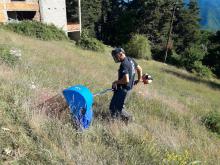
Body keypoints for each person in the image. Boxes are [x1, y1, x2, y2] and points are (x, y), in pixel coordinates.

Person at [110, 48, 142, 122]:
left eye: (116, 56)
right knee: (112, 106)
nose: (115, 58)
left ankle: (129, 119)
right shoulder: (130, 60)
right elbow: (139, 69)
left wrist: (115, 82)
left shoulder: (124, 64)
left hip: (124, 90)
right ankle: (113, 120)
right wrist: (139, 79)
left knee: (119, 109)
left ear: (121, 54)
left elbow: (126, 80)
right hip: (126, 89)